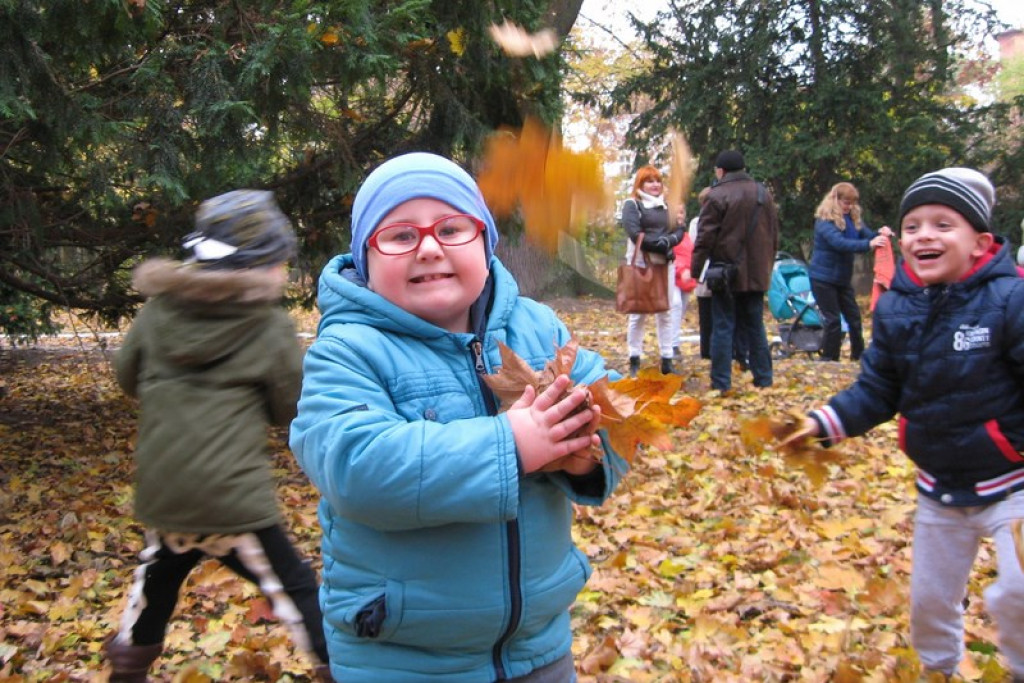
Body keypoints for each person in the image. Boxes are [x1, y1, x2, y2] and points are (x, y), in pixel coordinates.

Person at [288, 152, 628, 683]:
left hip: (539, 647)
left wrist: (583, 455)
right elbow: (359, 467)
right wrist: (512, 445)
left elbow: (618, 414)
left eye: (451, 229)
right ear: (366, 258)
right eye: (400, 236)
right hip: (404, 657)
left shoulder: (538, 329)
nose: (428, 247)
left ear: (485, 242)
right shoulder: (347, 351)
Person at [783, 168, 1024, 683]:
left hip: (1012, 483)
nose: (923, 236)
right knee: (930, 602)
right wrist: (823, 422)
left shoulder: (1010, 300)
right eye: (912, 226)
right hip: (939, 488)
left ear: (980, 243)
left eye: (942, 225)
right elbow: (878, 389)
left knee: (1018, 592)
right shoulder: (896, 308)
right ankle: (939, 670)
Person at [107, 190, 331, 682]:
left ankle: (126, 670)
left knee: (154, 588)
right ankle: (336, 665)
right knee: (293, 586)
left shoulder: (157, 312)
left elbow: (127, 377)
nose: (283, 271)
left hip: (166, 495)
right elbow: (288, 406)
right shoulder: (267, 325)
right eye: (278, 262)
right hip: (232, 502)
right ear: (255, 266)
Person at [690, 149, 779, 392]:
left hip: (726, 273)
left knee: (723, 326)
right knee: (755, 325)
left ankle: (721, 382)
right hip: (756, 273)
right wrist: (767, 266)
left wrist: (696, 270)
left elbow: (705, 237)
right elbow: (773, 233)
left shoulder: (716, 195)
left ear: (721, 171)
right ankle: (764, 378)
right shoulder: (763, 193)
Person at [808, 182, 892, 361]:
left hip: (842, 279)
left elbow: (867, 235)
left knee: (854, 318)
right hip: (822, 278)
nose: (849, 206)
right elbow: (840, 243)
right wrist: (868, 245)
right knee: (833, 320)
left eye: (852, 203)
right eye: (846, 202)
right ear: (835, 200)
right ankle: (830, 358)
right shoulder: (824, 221)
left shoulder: (853, 219)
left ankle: (858, 356)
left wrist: (881, 234)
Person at [620, 165, 686, 376]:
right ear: (640, 184)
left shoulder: (668, 206)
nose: (655, 185)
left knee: (665, 311)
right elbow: (634, 233)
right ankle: (634, 358)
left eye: (658, 180)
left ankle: (667, 359)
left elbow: (679, 229)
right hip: (640, 264)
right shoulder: (632, 205)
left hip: (665, 264)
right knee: (638, 313)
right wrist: (660, 244)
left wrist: (670, 241)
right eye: (649, 181)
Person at [672, 210, 698, 355]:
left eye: (681, 212)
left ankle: (674, 343)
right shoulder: (668, 235)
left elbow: (690, 255)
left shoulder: (686, 236)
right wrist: (681, 270)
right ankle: (672, 345)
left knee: (680, 311)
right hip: (673, 277)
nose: (679, 215)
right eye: (676, 212)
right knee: (675, 306)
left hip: (686, 279)